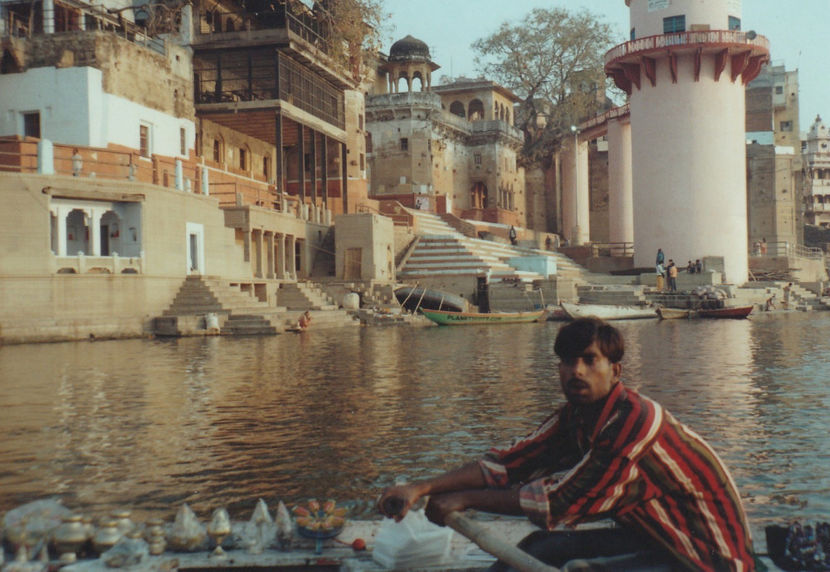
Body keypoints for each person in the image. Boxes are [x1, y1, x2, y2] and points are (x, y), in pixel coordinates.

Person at [378, 318, 755, 571]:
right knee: (539, 547)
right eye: (567, 361)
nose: (576, 371)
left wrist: (464, 500)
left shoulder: (635, 423)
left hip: (705, 559)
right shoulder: (577, 414)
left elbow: (561, 502)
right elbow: (507, 464)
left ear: (615, 371)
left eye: (589, 361)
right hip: (655, 535)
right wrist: (421, 488)